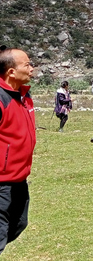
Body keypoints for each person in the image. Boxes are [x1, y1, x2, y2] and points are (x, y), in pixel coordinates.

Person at [0, 47, 36, 254]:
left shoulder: (24, 94)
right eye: (27, 64)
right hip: (2, 183)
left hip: (20, 179)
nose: (32, 68)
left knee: (19, 224)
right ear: (11, 71)